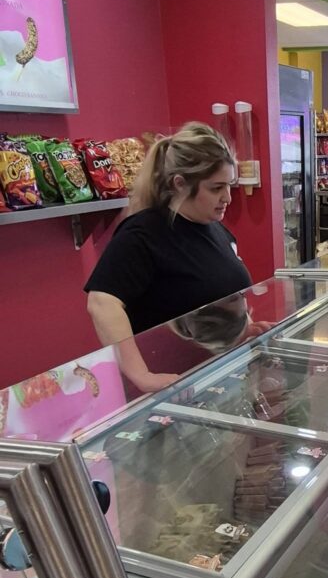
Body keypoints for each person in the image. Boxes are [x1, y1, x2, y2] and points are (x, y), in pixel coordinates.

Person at [85, 122, 252, 393]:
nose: (228, 198)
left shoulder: (214, 227)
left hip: (214, 376)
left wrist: (246, 328)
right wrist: (140, 374)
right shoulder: (143, 233)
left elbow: (223, 291)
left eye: (230, 185)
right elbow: (102, 303)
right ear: (180, 184)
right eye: (216, 188)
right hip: (171, 386)